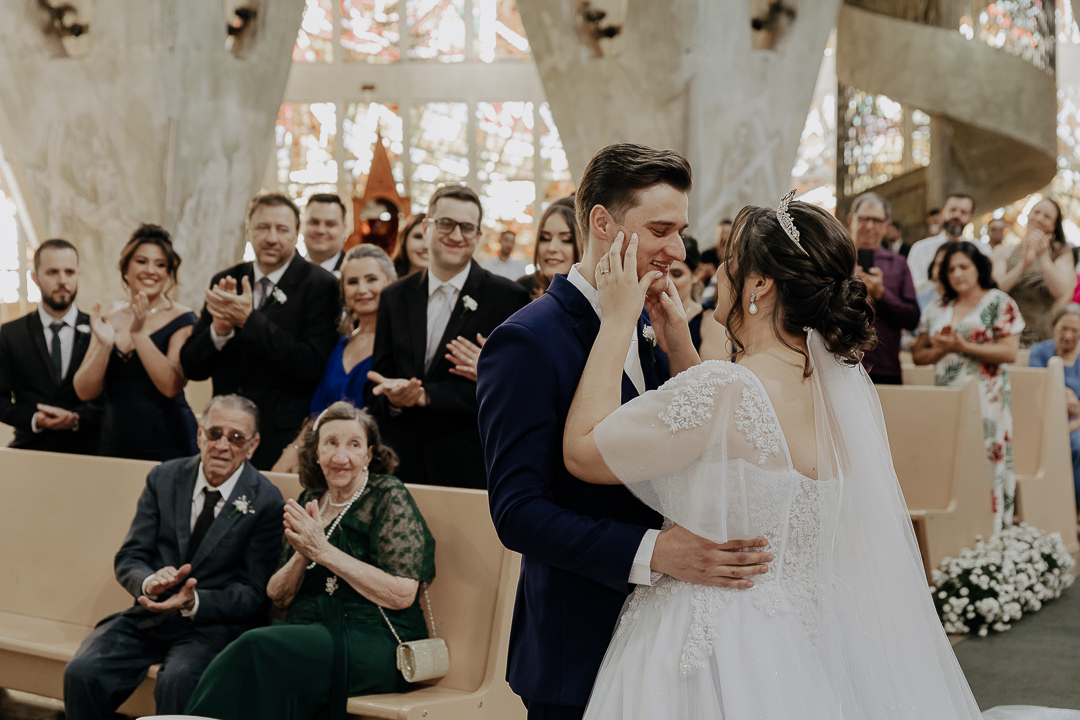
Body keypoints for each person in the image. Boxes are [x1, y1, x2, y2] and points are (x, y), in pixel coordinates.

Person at [561, 194, 986, 720]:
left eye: (729, 262)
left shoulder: (729, 390)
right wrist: (681, 348)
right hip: (807, 637)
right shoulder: (833, 391)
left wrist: (615, 321)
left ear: (760, 284)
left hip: (717, 638)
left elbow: (583, 452)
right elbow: (728, 446)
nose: (719, 272)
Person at [477, 144, 772, 720]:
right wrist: (657, 551)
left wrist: (679, 348)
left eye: (680, 230)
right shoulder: (527, 341)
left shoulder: (648, 319)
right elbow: (518, 513)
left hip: (671, 639)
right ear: (602, 222)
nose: (677, 250)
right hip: (578, 641)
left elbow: (689, 443)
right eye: (660, 230)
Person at [185, 401, 435, 720]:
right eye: (330, 443)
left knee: (255, 646)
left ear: (369, 455)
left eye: (353, 445)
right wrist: (303, 554)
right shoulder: (311, 498)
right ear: (316, 452)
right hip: (309, 631)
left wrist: (323, 551)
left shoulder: (387, 494)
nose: (340, 457)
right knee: (263, 662)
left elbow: (402, 594)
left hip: (375, 639)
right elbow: (278, 595)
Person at [63, 395, 285, 719]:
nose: (222, 445)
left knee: (179, 681)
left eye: (236, 438)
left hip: (212, 628)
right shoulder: (164, 478)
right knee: (83, 673)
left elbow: (253, 593)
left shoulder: (266, 500)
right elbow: (130, 556)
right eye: (215, 433)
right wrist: (150, 582)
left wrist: (195, 602)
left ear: (252, 446)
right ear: (200, 434)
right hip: (150, 616)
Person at [365, 183, 530, 489]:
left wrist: (429, 395)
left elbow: (513, 391)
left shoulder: (507, 298)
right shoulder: (394, 297)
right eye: (446, 224)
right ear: (426, 228)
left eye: (466, 227)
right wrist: (394, 400)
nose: (456, 235)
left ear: (478, 236)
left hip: (470, 466)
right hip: (403, 465)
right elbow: (377, 383)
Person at [181, 192, 341, 470]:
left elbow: (311, 365)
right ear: (248, 230)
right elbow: (192, 367)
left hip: (281, 435)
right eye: (263, 227)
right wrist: (219, 332)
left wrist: (249, 321)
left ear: (296, 233)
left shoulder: (319, 285)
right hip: (224, 434)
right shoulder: (227, 279)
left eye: (282, 229)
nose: (271, 238)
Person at [913, 241, 1023, 531]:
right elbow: (919, 355)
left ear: (979, 268)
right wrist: (942, 350)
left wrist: (963, 346)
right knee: (951, 461)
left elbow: (1008, 352)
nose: (957, 274)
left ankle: (993, 528)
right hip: (947, 396)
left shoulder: (998, 301)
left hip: (987, 398)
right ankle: (954, 530)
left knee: (985, 457)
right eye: (951, 269)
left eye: (964, 266)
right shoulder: (938, 306)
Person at [73, 224, 199, 461]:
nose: (150, 270)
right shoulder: (109, 319)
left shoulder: (183, 318)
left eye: (160, 264)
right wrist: (104, 346)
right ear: (126, 268)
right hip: (115, 439)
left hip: (170, 440)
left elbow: (171, 386)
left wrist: (138, 334)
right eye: (142, 261)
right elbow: (84, 391)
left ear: (168, 273)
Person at [271, 245, 397, 472]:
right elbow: (318, 413)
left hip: (378, 464)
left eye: (371, 279)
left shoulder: (400, 344)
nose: (362, 289)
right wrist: (293, 451)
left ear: (390, 282)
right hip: (332, 464)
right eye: (352, 282)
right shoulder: (340, 343)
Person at [0, 238, 101, 453]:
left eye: (69, 272)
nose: (62, 280)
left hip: (90, 450)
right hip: (30, 449)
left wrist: (77, 418)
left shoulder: (100, 331)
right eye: (52, 272)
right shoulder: (11, 333)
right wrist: (36, 419)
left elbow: (114, 396)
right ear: (35, 277)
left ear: (78, 275)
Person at [848, 192, 920, 384]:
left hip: (884, 368)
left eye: (877, 221)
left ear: (887, 226)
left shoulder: (898, 264)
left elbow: (913, 318)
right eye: (864, 219)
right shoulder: (837, 260)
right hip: (840, 366)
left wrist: (882, 294)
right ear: (851, 220)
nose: (870, 226)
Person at [994, 198, 1075, 347]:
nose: (1039, 218)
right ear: (1029, 215)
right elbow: (995, 290)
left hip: (1042, 336)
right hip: (1006, 333)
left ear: (1054, 225)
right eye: (1036, 212)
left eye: (1047, 216)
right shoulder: (1003, 251)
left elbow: (1062, 292)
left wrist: (1043, 257)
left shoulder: (1060, 254)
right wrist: (1023, 266)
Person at [1028, 303, 1080, 527]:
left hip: (1076, 424)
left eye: (1075, 330)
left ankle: (1075, 511)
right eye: (1063, 328)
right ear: (1054, 326)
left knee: (1077, 446)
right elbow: (1037, 389)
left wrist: (1072, 425)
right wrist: (1063, 395)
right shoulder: (1040, 352)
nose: (1068, 335)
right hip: (1045, 419)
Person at [907, 194, 990, 297]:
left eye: (963, 212)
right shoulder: (920, 249)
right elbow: (913, 286)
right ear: (942, 213)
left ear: (970, 218)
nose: (957, 215)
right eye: (952, 210)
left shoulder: (982, 249)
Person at [668, 234, 725, 357]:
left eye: (677, 274)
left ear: (695, 274)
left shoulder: (710, 322)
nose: (668, 282)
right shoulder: (644, 318)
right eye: (661, 273)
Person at [518, 197, 580, 299]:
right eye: (545, 238)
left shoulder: (599, 300)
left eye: (566, 239)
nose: (552, 248)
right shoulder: (521, 291)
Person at [303, 193, 349, 274]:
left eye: (330, 224)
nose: (321, 230)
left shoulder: (355, 273)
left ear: (344, 229)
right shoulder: (288, 272)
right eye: (314, 222)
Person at [391, 213, 428, 278]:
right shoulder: (386, 280)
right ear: (404, 240)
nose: (425, 246)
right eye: (418, 237)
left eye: (431, 239)